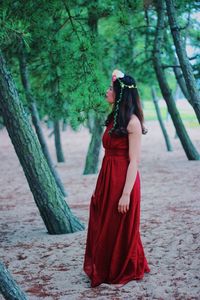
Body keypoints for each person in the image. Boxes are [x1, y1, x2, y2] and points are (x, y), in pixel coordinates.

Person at [83, 69, 150, 287]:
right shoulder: (113, 119)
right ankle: (105, 266)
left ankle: (123, 268)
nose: (107, 91)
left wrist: (126, 194)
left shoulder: (132, 123)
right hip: (107, 177)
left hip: (124, 180)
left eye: (111, 88)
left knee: (119, 225)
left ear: (121, 94)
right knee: (104, 221)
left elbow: (134, 162)